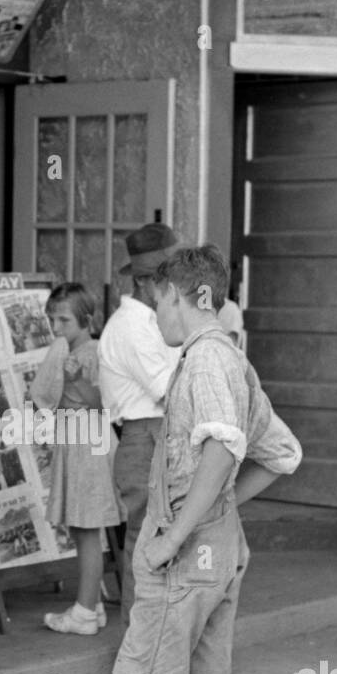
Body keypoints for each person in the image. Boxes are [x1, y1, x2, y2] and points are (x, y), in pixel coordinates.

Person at [111, 245, 302, 674]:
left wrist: (175, 532)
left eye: (162, 300)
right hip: (218, 547)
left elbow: (222, 448)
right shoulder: (232, 361)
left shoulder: (205, 362)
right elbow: (281, 453)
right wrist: (218, 511)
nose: (156, 313)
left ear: (192, 297)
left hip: (188, 557)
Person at [98, 223, 185, 625]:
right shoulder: (131, 326)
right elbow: (169, 391)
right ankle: (139, 641)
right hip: (145, 435)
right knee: (146, 540)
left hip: (161, 433)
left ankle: (159, 636)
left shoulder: (155, 320)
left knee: (167, 538)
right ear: (148, 282)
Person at [35, 283, 123, 635]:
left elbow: (102, 401)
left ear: (86, 319)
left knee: (87, 530)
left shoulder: (91, 352)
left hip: (88, 441)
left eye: (64, 320)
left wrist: (74, 380)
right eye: (51, 319)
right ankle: (94, 603)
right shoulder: (73, 349)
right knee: (82, 527)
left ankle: (85, 611)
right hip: (78, 439)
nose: (56, 328)